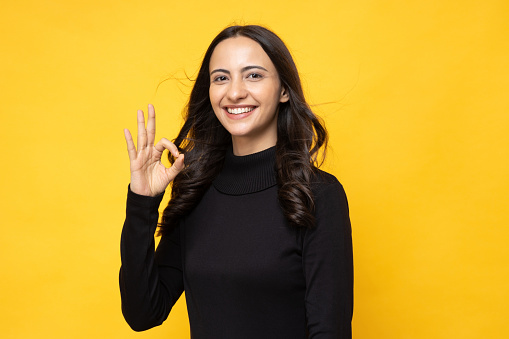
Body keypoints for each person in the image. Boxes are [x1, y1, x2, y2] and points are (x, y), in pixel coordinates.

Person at [119, 25, 353, 339]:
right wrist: (141, 202)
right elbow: (143, 313)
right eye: (221, 77)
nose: (235, 92)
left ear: (284, 90)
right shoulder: (195, 189)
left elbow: (329, 332)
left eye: (253, 75)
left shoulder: (318, 195)